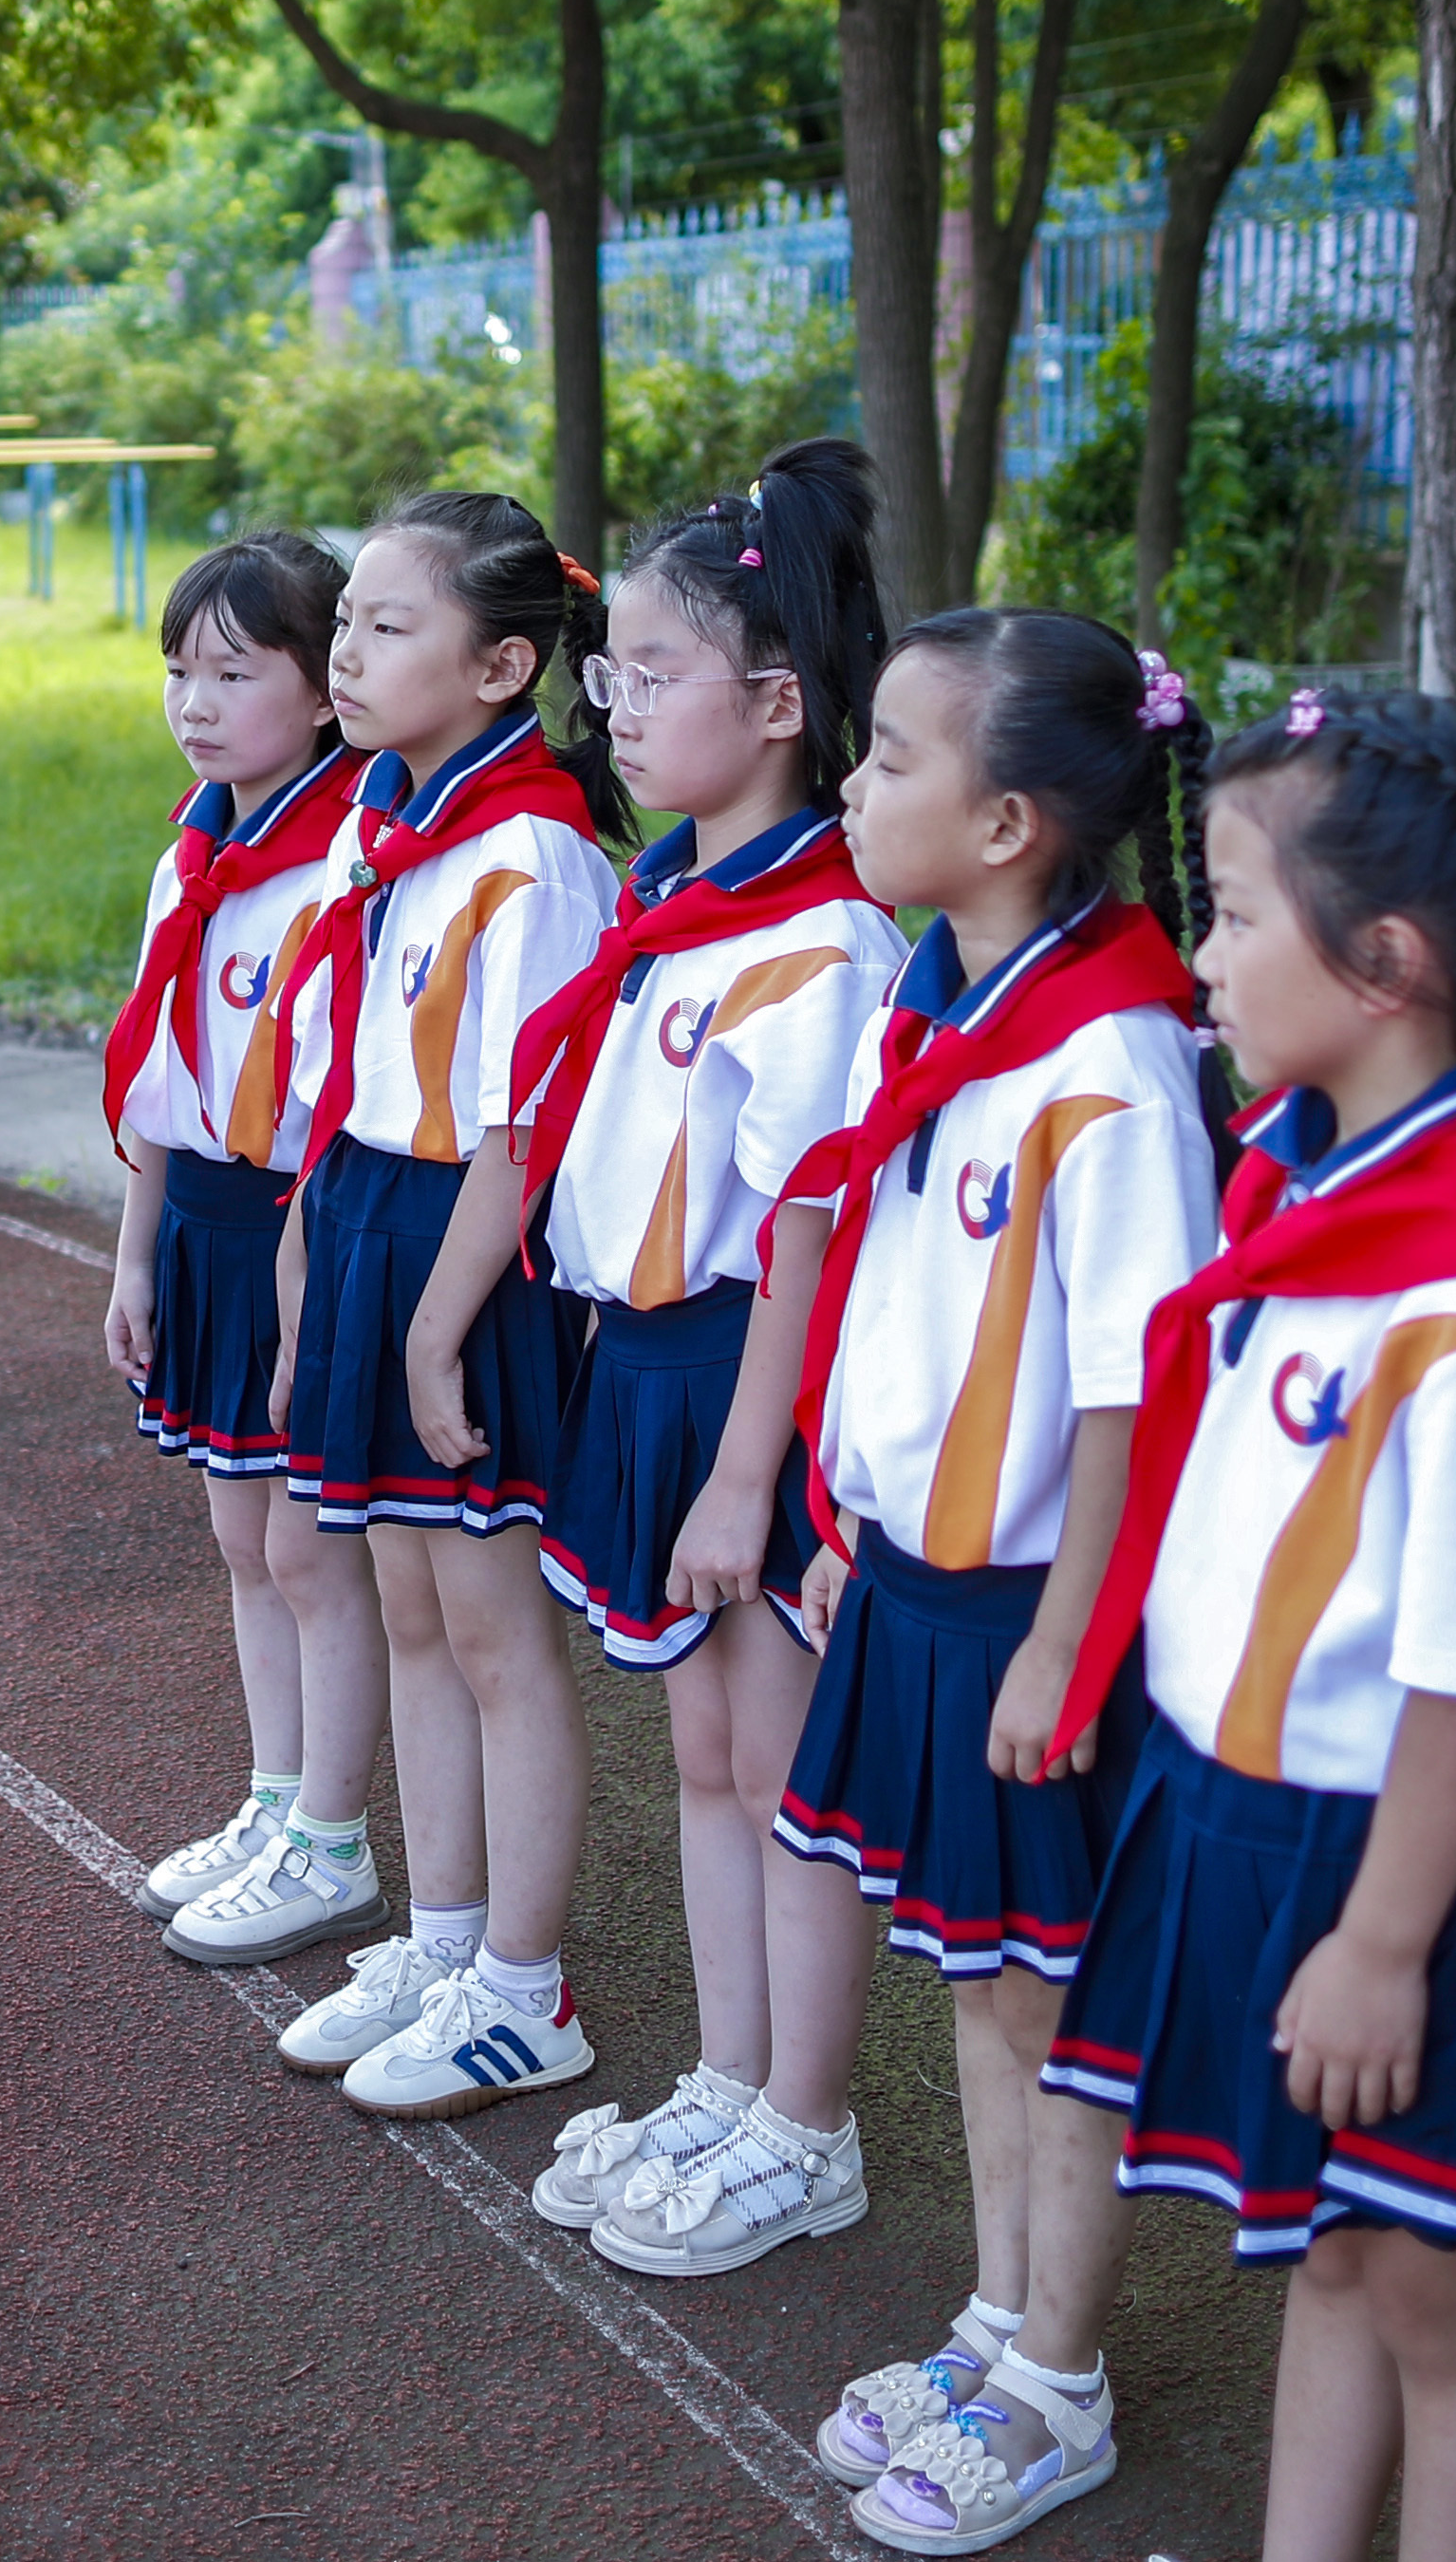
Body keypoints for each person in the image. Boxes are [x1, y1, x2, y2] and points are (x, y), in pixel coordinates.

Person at [970, 688, 1456, 2561]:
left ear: (1388, 962)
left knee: (1438, 2308)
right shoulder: (1317, 1181)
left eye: (1240, 916)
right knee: (1332, 2267)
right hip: (1261, 1825)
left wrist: (1380, 1946)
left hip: (1393, 1870)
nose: (1198, 955)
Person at [756, 609, 1215, 2544]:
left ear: (1011, 819)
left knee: (1045, 2003)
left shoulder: (1105, 1060)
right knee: (973, 1978)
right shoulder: (952, 1007)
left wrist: (1064, 1639)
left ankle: (1059, 2379)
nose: (850, 790)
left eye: (884, 761)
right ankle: (998, 2315)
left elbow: (1133, 1389)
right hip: (934, 1591)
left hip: (1039, 1613)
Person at [494, 442, 905, 2255]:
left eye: (654, 677)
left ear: (780, 703)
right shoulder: (685, 902)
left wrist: (751, 1473)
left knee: (785, 1771)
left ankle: (809, 2126)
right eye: (616, 674)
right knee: (708, 1756)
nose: (621, 709)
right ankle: (737, 2081)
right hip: (661, 1369)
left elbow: (809, 1236)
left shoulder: (818, 940)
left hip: (761, 1384)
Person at [257, 491, 632, 2117]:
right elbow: (356, 1065)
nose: (344, 654)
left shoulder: (534, 852)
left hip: (464, 1249)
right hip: (364, 1208)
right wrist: (310, 1256)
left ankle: (526, 1987)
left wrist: (429, 1322)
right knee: (406, 1605)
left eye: (384, 628)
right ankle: (446, 1930)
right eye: (345, 625)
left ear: (502, 666)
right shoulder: (391, 816)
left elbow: (518, 1120)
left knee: (489, 1630)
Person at [92, 529, 390, 1965]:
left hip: (304, 1226)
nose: (192, 702)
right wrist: (136, 1255)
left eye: (231, 671)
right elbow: (159, 1074)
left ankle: (334, 1838)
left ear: (326, 689)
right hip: (205, 1215)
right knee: (235, 1531)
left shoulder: (343, 861)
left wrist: (303, 1263)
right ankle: (276, 1799)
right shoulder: (195, 847)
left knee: (308, 1548)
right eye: (175, 669)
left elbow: (346, 1096)